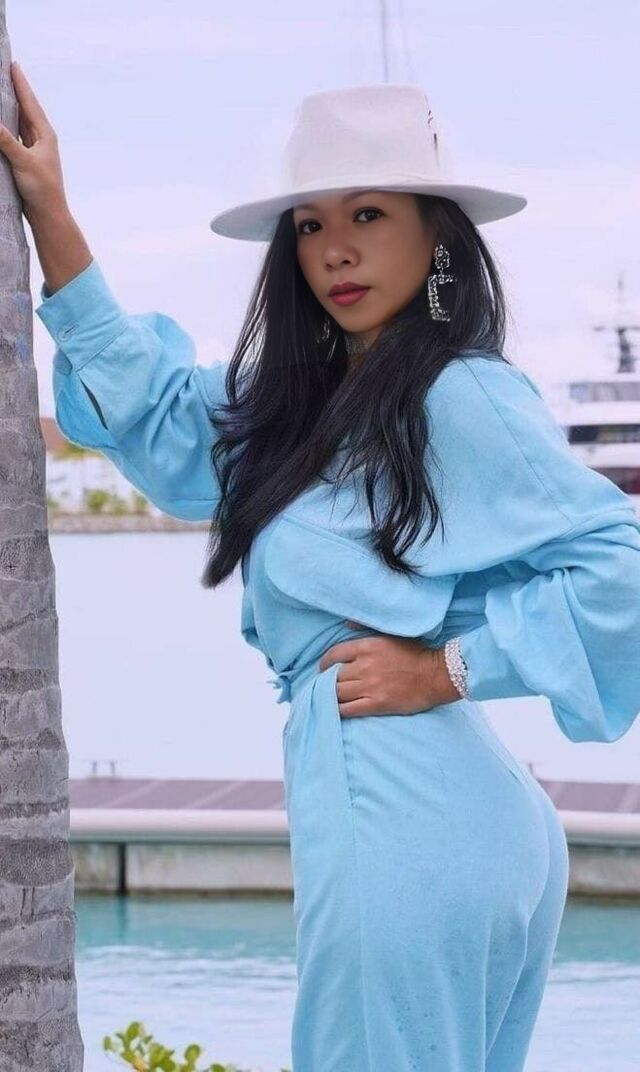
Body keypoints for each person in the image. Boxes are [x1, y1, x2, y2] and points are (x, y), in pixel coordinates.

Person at [3, 67, 640, 1071]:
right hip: (428, 812)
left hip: (408, 812)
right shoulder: (306, 405)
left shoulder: (457, 393)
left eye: (368, 213)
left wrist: (449, 668)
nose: (334, 247)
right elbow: (154, 406)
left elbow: (624, 572)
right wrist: (52, 212)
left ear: (437, 234)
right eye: (309, 224)